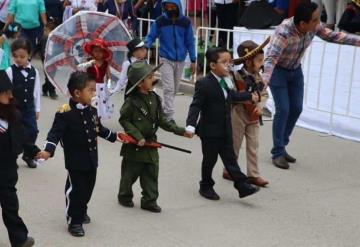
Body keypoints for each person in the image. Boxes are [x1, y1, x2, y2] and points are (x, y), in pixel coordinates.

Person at [263, 2, 360, 169]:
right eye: (315, 20)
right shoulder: (283, 32)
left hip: (295, 70)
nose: (318, 24)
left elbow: (333, 36)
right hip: (278, 72)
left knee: (296, 108)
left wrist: (358, 41)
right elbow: (271, 59)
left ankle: (282, 145)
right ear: (302, 24)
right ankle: (277, 152)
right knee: (283, 109)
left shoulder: (313, 26)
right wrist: (263, 83)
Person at [37, 71, 121, 237]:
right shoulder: (65, 113)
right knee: (76, 190)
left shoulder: (92, 110)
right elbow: (55, 133)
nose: (94, 93)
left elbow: (99, 129)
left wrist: (115, 136)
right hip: (75, 161)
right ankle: (74, 220)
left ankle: (81, 209)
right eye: (90, 90)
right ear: (77, 93)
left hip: (91, 160)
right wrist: (48, 150)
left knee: (88, 189)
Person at [186, 47, 260, 201]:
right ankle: (205, 185)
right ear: (213, 65)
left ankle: (243, 186)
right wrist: (190, 125)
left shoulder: (227, 80)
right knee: (210, 160)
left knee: (230, 158)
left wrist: (248, 96)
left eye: (230, 62)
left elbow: (232, 96)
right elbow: (195, 106)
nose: (228, 65)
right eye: (224, 62)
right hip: (210, 131)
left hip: (226, 127)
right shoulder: (204, 83)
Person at [118, 61, 193, 212]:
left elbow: (162, 120)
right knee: (129, 174)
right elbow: (124, 120)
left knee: (151, 173)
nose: (154, 78)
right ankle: (124, 196)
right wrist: (137, 136)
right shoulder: (131, 102)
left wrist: (180, 131)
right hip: (135, 146)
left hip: (151, 144)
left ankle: (149, 200)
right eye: (150, 76)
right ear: (140, 83)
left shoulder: (155, 99)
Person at [222, 39, 269, 187]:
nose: (262, 63)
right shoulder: (235, 76)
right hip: (238, 113)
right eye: (259, 60)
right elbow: (231, 93)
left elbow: (264, 93)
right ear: (248, 62)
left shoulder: (258, 77)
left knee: (253, 145)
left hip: (254, 115)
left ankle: (253, 174)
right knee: (235, 144)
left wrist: (260, 105)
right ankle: (229, 170)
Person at [0, 70, 38, 247]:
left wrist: (36, 151)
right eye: (4, 92)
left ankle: (19, 239)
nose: (9, 95)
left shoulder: (13, 114)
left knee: (10, 207)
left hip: (6, 171)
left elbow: (22, 137)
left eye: (10, 91)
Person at [145, 0, 196, 122]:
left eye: (173, 6)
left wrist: (194, 60)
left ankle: (163, 110)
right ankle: (169, 116)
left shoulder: (186, 22)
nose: (170, 9)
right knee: (169, 88)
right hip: (165, 58)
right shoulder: (160, 21)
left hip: (181, 60)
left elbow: (190, 42)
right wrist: (145, 47)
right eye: (167, 7)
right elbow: (151, 36)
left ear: (178, 7)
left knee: (175, 88)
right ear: (164, 7)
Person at [6, 38, 41, 169]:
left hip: (29, 108)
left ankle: (28, 155)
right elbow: (7, 91)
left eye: (22, 56)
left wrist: (37, 108)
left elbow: (36, 91)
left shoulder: (34, 72)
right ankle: (12, 156)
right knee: (14, 133)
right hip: (14, 108)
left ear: (29, 55)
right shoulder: (10, 71)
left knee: (32, 131)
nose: (18, 59)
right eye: (15, 56)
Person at [77, 38, 114, 120]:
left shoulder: (105, 63)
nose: (98, 53)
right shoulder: (88, 60)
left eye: (100, 51)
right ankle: (88, 120)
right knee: (90, 103)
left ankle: (98, 123)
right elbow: (79, 68)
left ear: (104, 52)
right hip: (89, 87)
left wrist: (109, 84)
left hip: (101, 88)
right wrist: (87, 64)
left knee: (100, 106)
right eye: (96, 51)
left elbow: (108, 75)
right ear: (92, 51)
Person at [40, 18, 59, 99]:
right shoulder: (43, 38)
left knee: (51, 75)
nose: (45, 32)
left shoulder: (56, 40)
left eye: (46, 30)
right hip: (45, 60)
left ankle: (45, 88)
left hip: (54, 60)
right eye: (44, 30)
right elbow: (37, 48)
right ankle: (52, 91)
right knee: (49, 76)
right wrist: (30, 55)